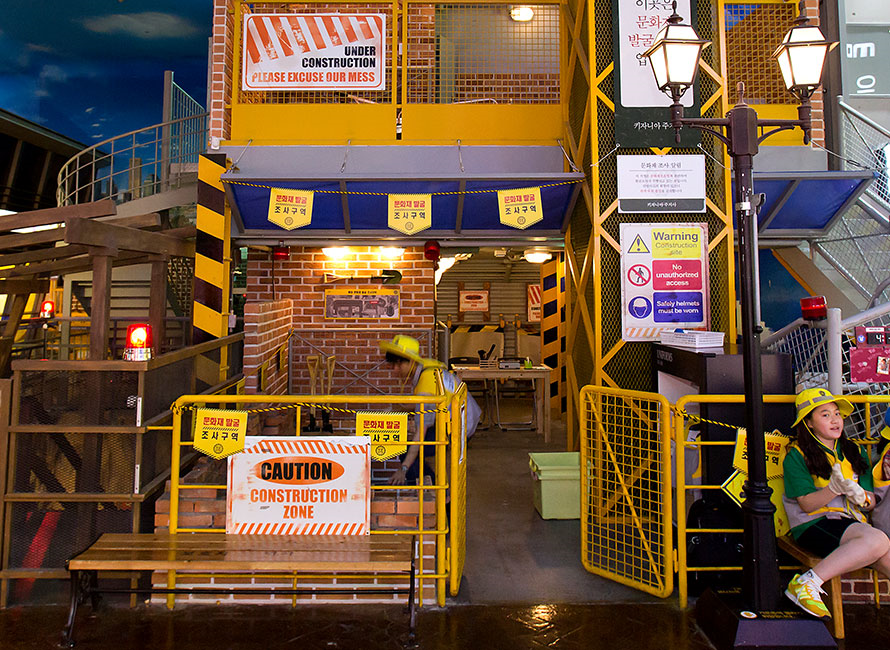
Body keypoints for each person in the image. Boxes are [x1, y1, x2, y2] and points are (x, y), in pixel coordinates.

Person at [782, 387, 890, 618]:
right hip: (813, 525)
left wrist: (861, 496)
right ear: (808, 423)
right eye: (825, 415)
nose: (835, 420)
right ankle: (807, 583)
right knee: (878, 540)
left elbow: (871, 502)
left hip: (852, 525)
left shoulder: (855, 451)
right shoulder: (796, 455)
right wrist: (833, 489)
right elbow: (807, 505)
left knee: (883, 549)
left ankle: (808, 584)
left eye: (837, 414)